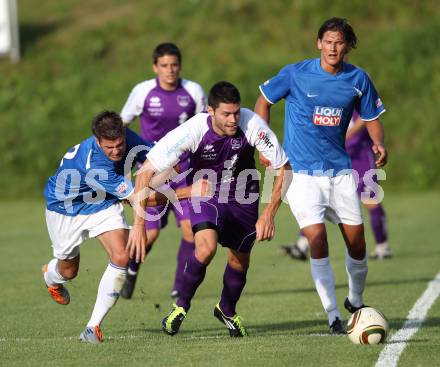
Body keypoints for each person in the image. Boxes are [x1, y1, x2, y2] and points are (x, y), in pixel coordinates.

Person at [255, 17, 388, 334]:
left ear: (348, 46)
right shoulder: (296, 73)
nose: (333, 47)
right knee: (316, 238)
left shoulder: (358, 79)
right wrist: (265, 144)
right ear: (318, 43)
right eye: (328, 41)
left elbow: (371, 117)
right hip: (301, 174)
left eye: (339, 42)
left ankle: (355, 301)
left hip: (340, 172)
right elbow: (263, 101)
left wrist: (379, 142)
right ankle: (332, 315)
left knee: (357, 244)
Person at [128, 81, 290, 337]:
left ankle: (226, 309)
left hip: (243, 196)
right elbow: (145, 172)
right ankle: (180, 306)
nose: (233, 119)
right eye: (226, 113)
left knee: (239, 259)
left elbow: (284, 169)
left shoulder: (252, 124)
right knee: (205, 248)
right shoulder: (192, 129)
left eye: (236, 112)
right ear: (210, 111)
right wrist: (138, 225)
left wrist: (268, 214)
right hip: (206, 193)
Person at [42, 111, 206, 344]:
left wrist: (184, 158)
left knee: (122, 255)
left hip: (102, 203)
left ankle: (92, 327)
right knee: (69, 271)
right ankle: (51, 276)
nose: (117, 151)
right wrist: (189, 191)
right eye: (109, 147)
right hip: (65, 209)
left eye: (119, 144)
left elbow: (155, 158)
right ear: (98, 141)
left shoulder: (127, 137)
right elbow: (141, 198)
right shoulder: (95, 166)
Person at [120, 42, 206, 299]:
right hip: (153, 173)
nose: (170, 70)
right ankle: (132, 272)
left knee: (191, 229)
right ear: (155, 67)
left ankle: (179, 286)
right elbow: (121, 127)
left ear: (180, 66)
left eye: (174, 65)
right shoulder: (143, 91)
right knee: (151, 233)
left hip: (184, 170)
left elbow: (204, 127)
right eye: (165, 66)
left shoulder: (193, 91)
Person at [281, 110, 392, 260]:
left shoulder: (355, 90)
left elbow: (367, 115)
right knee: (318, 196)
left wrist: (346, 134)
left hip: (360, 155)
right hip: (336, 157)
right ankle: (303, 245)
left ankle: (382, 246)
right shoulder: (326, 95)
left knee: (370, 201)